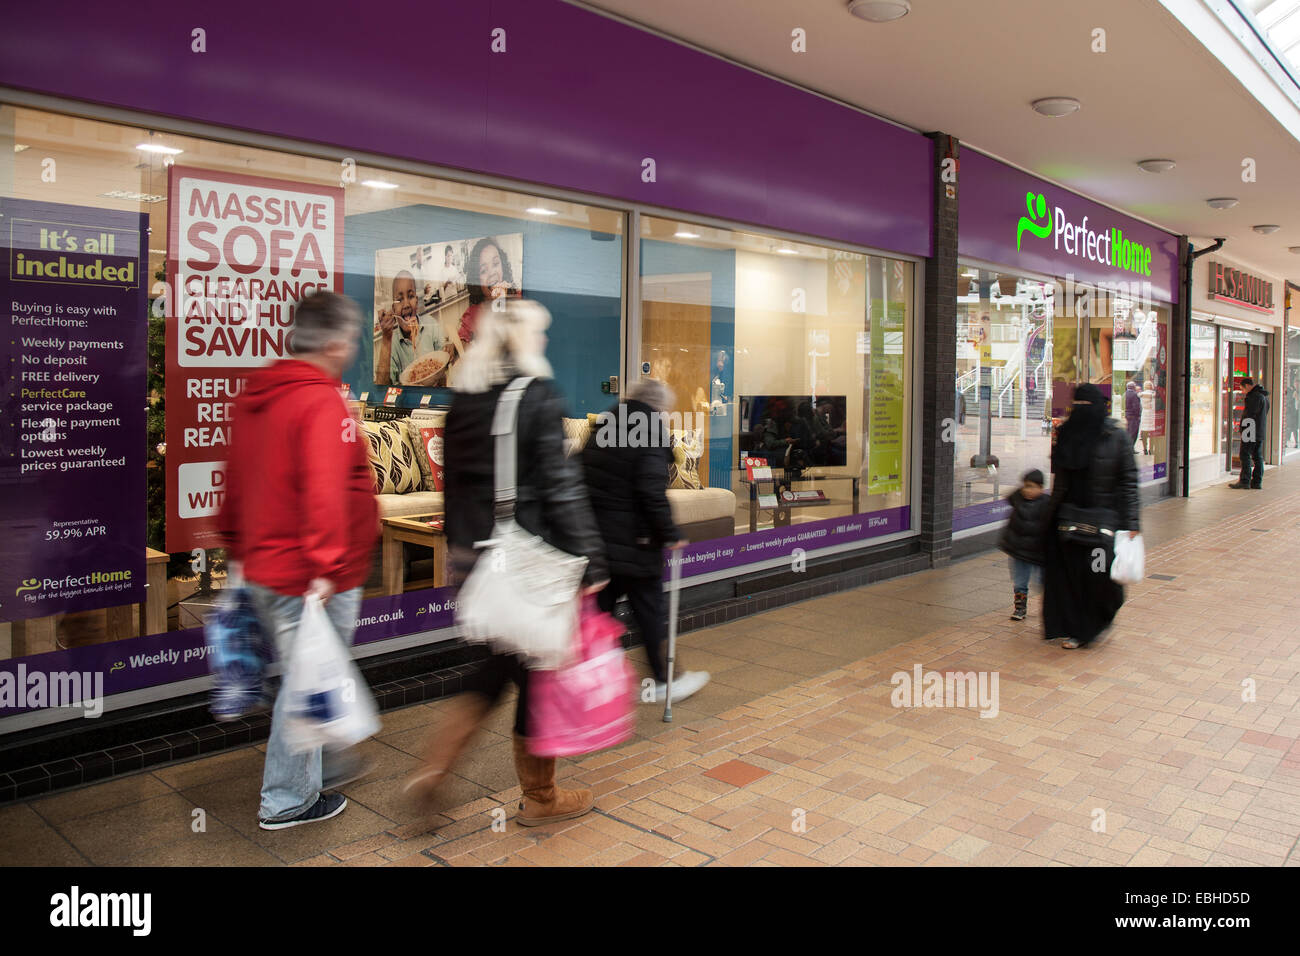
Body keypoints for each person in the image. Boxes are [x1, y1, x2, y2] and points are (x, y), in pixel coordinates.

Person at [405, 298, 609, 826]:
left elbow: (453, 493)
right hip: (529, 561)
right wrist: (592, 561)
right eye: (539, 335)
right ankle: (541, 797)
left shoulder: (463, 401)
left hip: (478, 561)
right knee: (539, 669)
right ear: (523, 341)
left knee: (496, 668)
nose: (543, 343)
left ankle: (433, 772)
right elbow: (563, 490)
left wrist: (459, 554)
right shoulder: (538, 396)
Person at [217, 291, 379, 829]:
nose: (352, 347)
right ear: (333, 341)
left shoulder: (257, 396)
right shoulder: (321, 401)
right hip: (311, 575)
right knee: (307, 681)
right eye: (352, 337)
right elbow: (325, 491)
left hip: (267, 565)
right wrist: (329, 567)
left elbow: (233, 481)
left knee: (305, 673)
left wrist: (237, 545)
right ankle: (287, 800)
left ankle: (324, 765)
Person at [582, 378, 710, 704]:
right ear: (658, 407)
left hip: (599, 541)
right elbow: (651, 491)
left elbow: (583, 474)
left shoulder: (607, 421)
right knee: (650, 613)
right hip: (635, 544)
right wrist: (670, 533)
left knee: (598, 616)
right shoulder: (649, 428)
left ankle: (585, 679)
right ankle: (666, 680)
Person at [1042, 383, 1140, 650]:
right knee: (1072, 579)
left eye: (1088, 406)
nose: (1083, 412)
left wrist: (1131, 522)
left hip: (1102, 525)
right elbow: (1060, 481)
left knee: (1099, 577)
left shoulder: (1116, 437)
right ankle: (1078, 629)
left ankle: (1098, 620)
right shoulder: (1066, 434)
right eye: (1079, 406)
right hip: (1069, 523)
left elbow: (1128, 479)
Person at [998, 469, 1048, 622]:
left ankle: (1049, 609)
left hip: (1039, 552)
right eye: (1025, 486)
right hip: (1019, 551)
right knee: (1020, 581)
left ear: (1041, 487)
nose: (1028, 490)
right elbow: (1011, 496)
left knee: (1042, 582)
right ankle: (1020, 608)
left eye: (1032, 487)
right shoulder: (1018, 499)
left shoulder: (1047, 503)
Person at [375, 271, 420, 386]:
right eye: (399, 300)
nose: (406, 305)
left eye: (410, 296)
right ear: (393, 309)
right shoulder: (392, 344)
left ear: (417, 301)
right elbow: (381, 386)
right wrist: (386, 337)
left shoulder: (432, 328)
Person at [1229, 376, 1270, 489]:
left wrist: (1243, 428)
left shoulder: (1253, 397)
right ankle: (1257, 482)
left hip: (1250, 429)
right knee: (1257, 456)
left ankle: (1244, 481)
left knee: (1244, 454)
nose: (1243, 392)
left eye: (1242, 389)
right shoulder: (1264, 396)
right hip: (1259, 430)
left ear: (1247, 386)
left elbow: (1249, 415)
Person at [1139, 379, 1156, 455]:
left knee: (1144, 433)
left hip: (1144, 413)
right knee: (1151, 433)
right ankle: (1151, 449)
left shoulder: (1141, 394)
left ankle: (1145, 449)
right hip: (1151, 414)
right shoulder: (1153, 394)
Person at [1124, 380, 1141, 448]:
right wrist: (1138, 415)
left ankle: (1128, 447)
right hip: (1133, 416)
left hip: (1127, 414)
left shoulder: (1125, 393)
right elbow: (1136, 406)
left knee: (1128, 431)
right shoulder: (1134, 394)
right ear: (1133, 387)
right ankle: (1131, 448)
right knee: (1134, 432)